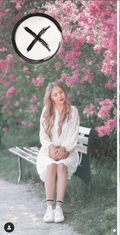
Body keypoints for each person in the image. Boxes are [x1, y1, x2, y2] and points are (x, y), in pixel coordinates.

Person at [36, 82, 80, 223]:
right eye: (55, 94)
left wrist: (64, 149)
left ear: (65, 93)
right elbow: (43, 135)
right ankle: (49, 208)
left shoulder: (73, 111)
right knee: (51, 166)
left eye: (61, 92)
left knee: (61, 166)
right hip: (49, 151)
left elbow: (73, 135)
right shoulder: (46, 111)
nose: (59, 96)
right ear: (51, 97)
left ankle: (59, 208)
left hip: (68, 150)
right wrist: (51, 148)